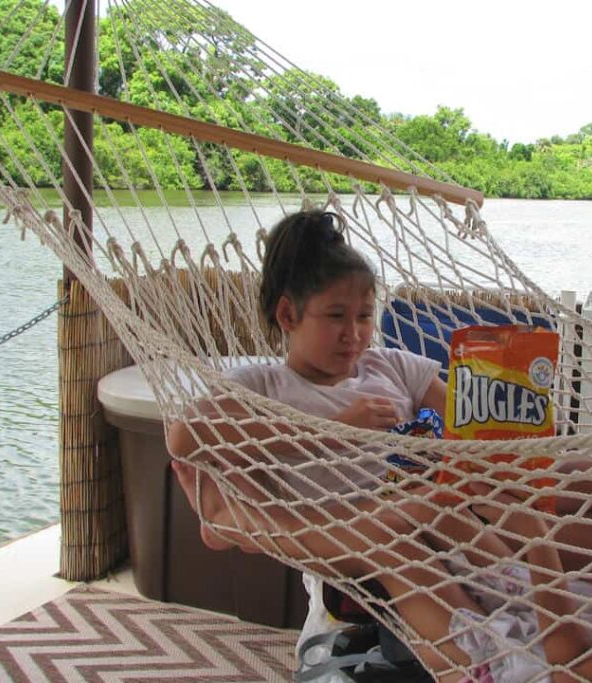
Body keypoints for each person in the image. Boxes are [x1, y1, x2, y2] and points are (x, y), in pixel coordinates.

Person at [174, 374, 592, 683]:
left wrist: (535, 538)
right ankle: (236, 522)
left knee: (392, 553)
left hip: (528, 671)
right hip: (583, 632)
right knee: (439, 509)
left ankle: (237, 522)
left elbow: (571, 672)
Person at [166, 208, 448, 661]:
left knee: (571, 483)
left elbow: (471, 430)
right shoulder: (263, 387)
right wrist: (336, 431)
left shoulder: (393, 366)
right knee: (415, 536)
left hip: (435, 512)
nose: (353, 335)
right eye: (336, 315)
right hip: (350, 540)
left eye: (364, 315)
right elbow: (184, 437)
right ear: (287, 314)